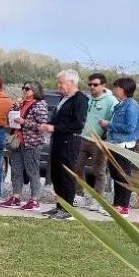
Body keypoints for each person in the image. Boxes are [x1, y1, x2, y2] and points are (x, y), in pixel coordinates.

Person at [41, 69, 89, 220]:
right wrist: (47, 125)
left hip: (70, 141)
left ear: (71, 82)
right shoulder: (64, 98)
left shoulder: (80, 100)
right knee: (56, 174)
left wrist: (54, 128)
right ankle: (59, 207)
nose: (59, 86)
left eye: (61, 82)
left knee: (66, 174)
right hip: (58, 140)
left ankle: (68, 210)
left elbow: (78, 124)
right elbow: (58, 119)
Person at [0, 81, 49, 211]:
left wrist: (24, 122)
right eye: (23, 88)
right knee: (16, 170)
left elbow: (42, 125)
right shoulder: (22, 103)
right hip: (17, 141)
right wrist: (15, 108)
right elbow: (13, 117)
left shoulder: (40, 105)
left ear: (35, 91)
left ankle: (34, 200)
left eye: (27, 89)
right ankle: (16, 197)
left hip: (31, 143)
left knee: (32, 171)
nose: (24, 91)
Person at [72, 72, 118, 211]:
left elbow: (115, 121)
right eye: (90, 84)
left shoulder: (111, 101)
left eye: (95, 84)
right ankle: (79, 195)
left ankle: (98, 200)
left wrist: (106, 129)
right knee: (76, 167)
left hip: (99, 141)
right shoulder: (87, 98)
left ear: (103, 85)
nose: (92, 87)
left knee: (99, 171)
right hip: (83, 138)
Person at [100, 77, 139, 217]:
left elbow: (130, 127)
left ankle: (123, 206)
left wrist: (109, 125)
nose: (114, 90)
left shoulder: (131, 106)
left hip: (124, 145)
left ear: (124, 89)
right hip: (114, 144)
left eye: (116, 87)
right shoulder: (121, 104)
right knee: (116, 175)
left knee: (123, 176)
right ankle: (117, 205)